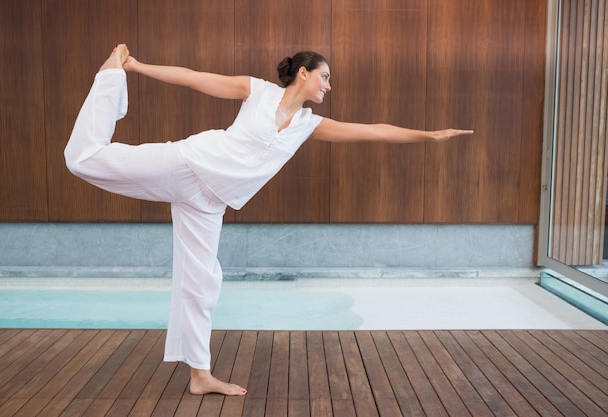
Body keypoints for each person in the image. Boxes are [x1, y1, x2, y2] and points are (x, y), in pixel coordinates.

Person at [65, 44, 473, 396]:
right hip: (189, 164)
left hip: (210, 202)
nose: (328, 86)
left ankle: (200, 376)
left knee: (202, 282)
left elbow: (374, 131)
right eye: (324, 77)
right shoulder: (255, 91)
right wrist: (134, 68)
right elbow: (192, 77)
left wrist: (430, 136)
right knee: (83, 160)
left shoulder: (309, 126)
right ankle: (109, 76)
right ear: (303, 73)